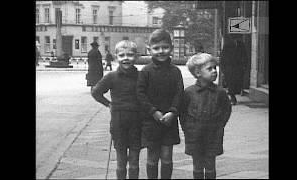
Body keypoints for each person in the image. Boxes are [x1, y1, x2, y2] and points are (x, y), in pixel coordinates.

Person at [136, 29, 184, 179]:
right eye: (156, 48)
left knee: (167, 156)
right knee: (152, 155)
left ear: (171, 47)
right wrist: (153, 112)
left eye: (165, 47)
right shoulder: (146, 71)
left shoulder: (175, 71)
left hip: (169, 120)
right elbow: (140, 94)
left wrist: (173, 111)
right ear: (149, 49)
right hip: (151, 121)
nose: (161, 51)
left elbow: (179, 93)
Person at [91, 40, 142, 179]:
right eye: (122, 55)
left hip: (137, 122)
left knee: (134, 162)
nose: (126, 58)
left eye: (130, 55)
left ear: (136, 57)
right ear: (116, 56)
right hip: (118, 122)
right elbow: (96, 92)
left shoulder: (142, 76)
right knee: (121, 162)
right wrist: (109, 104)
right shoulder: (111, 77)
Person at [180, 53, 232, 179]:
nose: (214, 71)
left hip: (213, 133)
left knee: (210, 163)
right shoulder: (189, 93)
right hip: (195, 134)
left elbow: (226, 109)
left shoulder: (220, 92)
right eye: (209, 69)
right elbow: (182, 113)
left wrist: (219, 125)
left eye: (215, 68)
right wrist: (188, 128)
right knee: (197, 164)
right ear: (198, 73)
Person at [220, 35, 247, 105]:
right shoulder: (227, 45)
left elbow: (245, 55)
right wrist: (223, 68)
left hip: (238, 67)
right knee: (230, 82)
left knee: (237, 82)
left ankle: (235, 93)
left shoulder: (241, 45)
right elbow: (223, 57)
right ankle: (232, 97)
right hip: (229, 67)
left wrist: (244, 65)